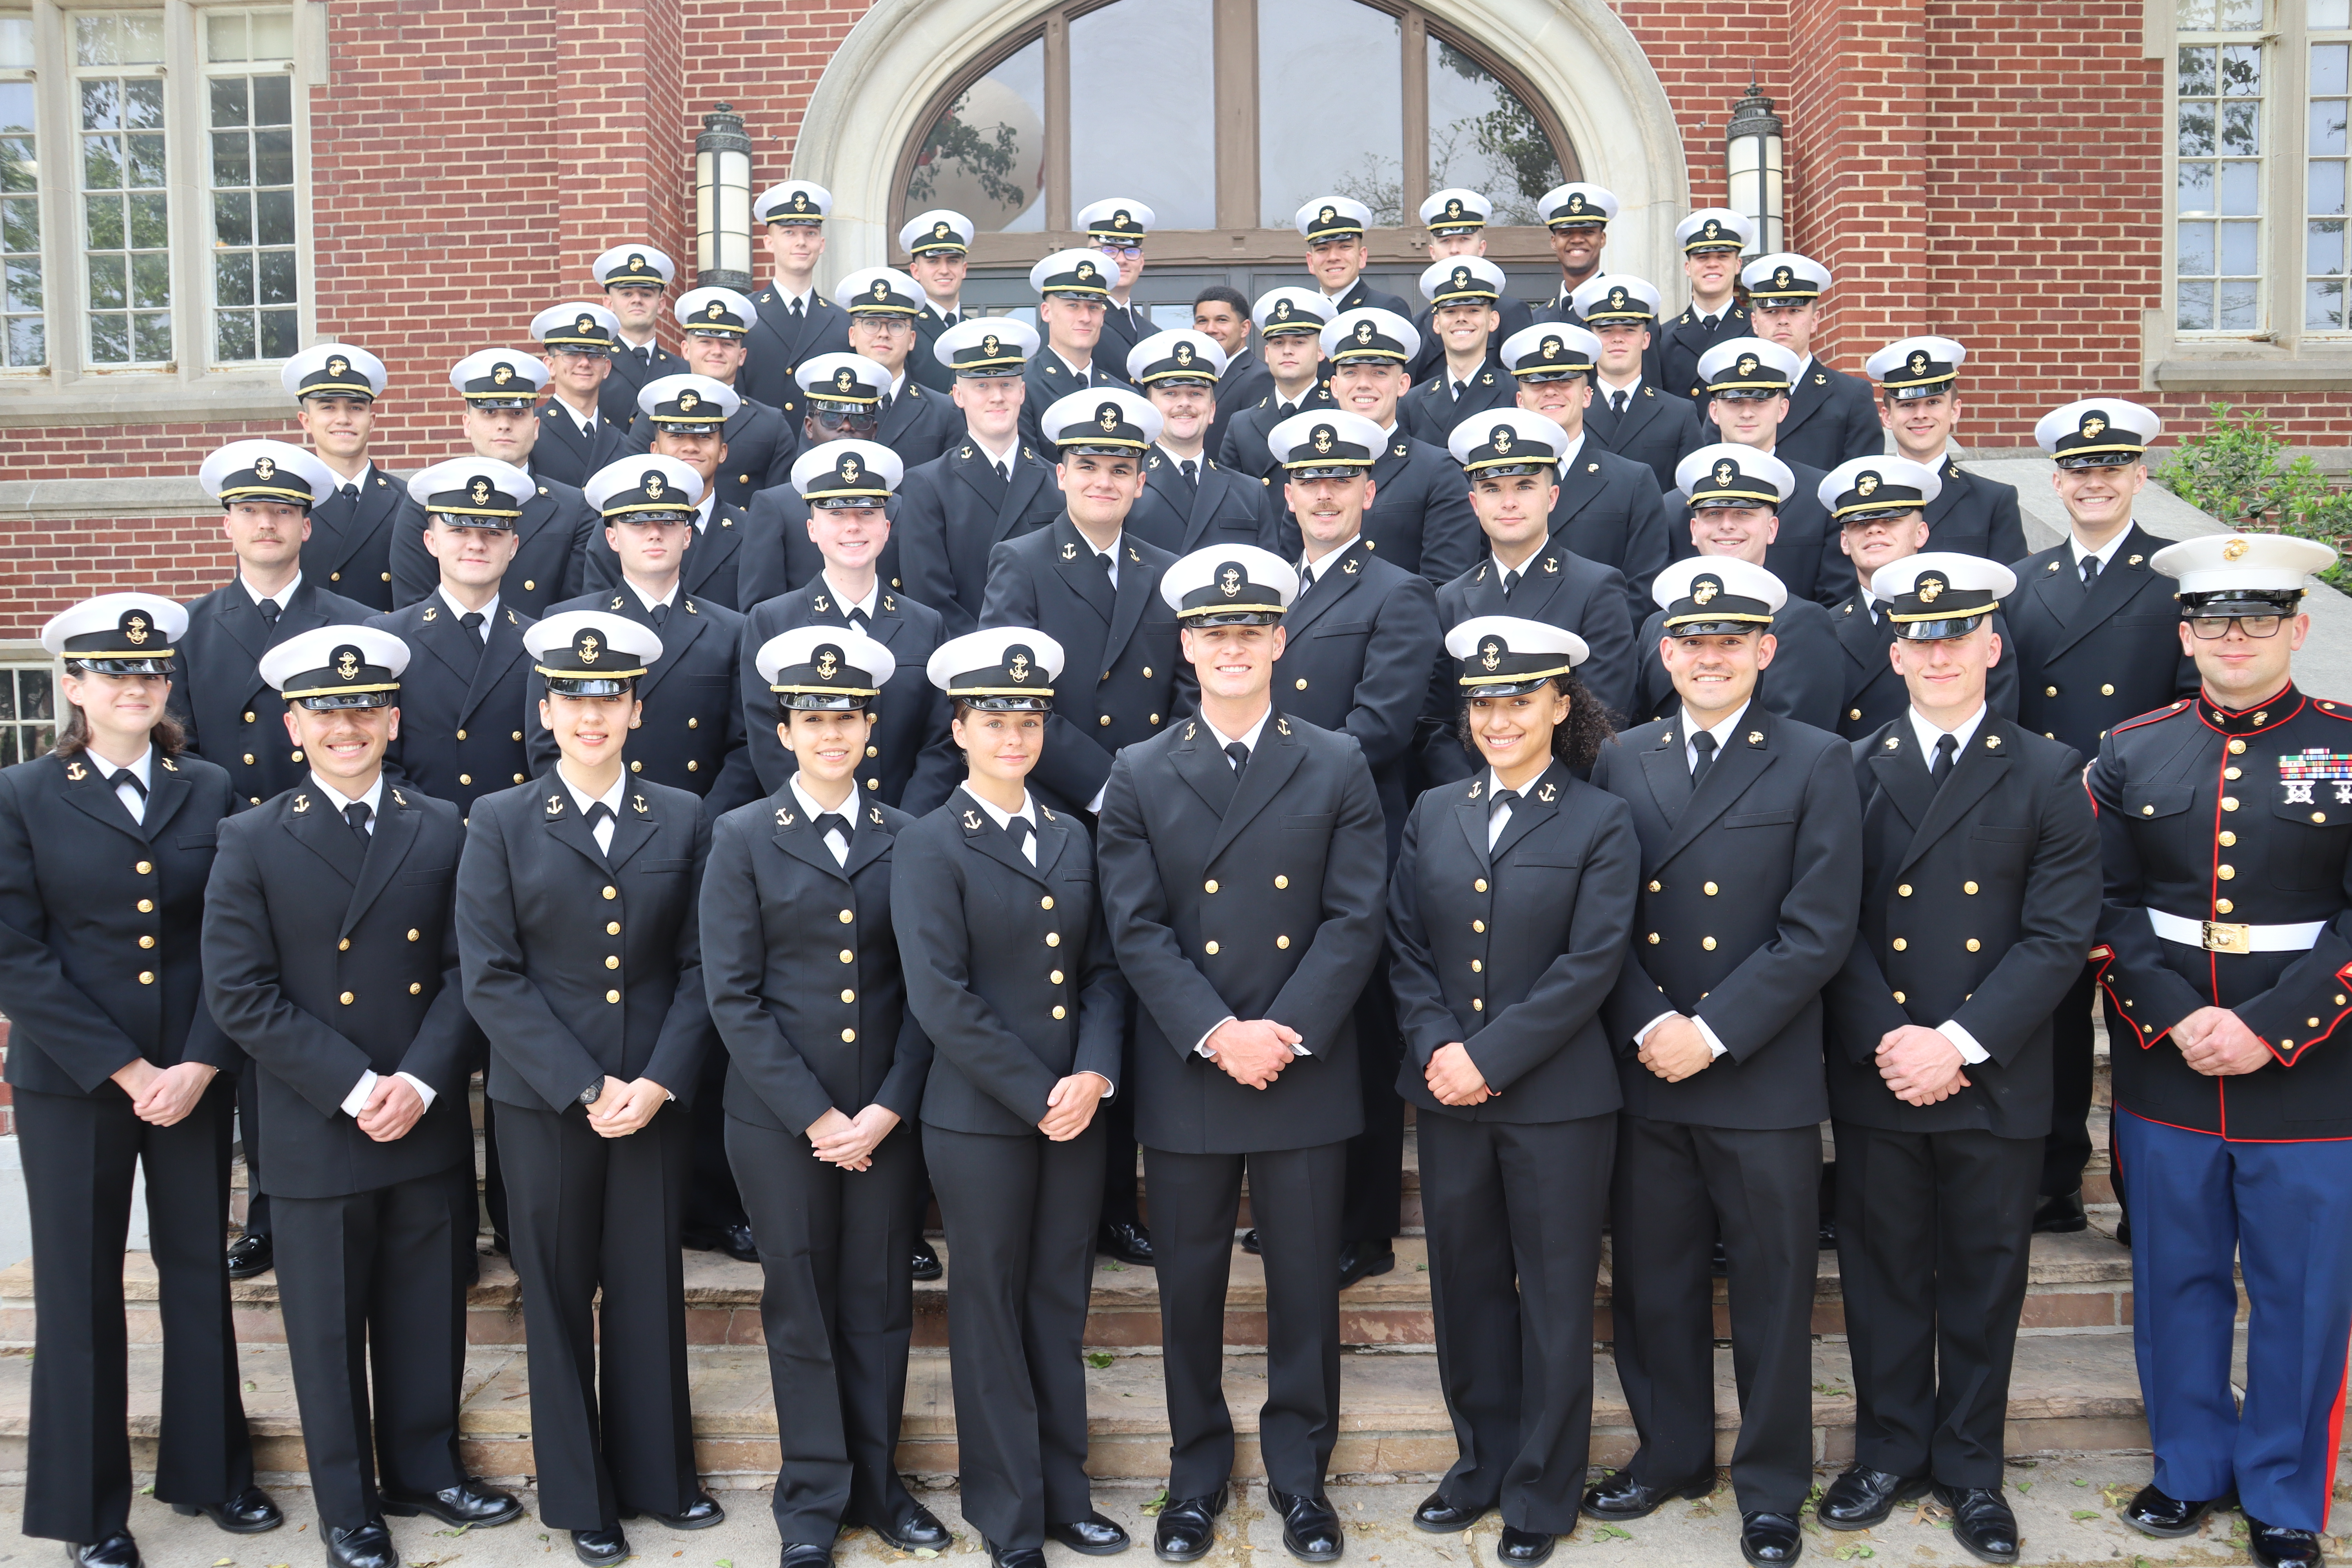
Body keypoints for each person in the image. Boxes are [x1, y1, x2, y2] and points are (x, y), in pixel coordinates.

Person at [202, 625, 521, 1568]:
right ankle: (349, 1503)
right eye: (327, 712)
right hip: (317, 1122)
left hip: (418, 1114)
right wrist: (353, 1085)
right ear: (295, 724)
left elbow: (474, 971)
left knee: (428, 1308)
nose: (348, 727)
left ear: (391, 718)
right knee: (329, 1326)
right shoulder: (250, 837)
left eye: (365, 709)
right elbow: (239, 991)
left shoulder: (443, 824)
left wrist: (422, 1079)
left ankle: (425, 1468)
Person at [1095, 546, 1389, 1565]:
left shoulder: (1337, 760)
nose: (1231, 645)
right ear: (1187, 644)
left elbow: (1356, 919)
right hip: (1194, 1066)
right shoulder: (1137, 771)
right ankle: (1195, 1475)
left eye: (1249, 630)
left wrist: (1282, 1031)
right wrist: (1221, 1032)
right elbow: (1134, 929)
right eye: (1212, 632)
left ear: (1278, 639)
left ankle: (1301, 1479)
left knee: (1306, 1285)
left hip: (1302, 1064)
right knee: (1191, 1289)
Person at [1817, 555, 2098, 1566]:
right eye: (1919, 640)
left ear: (1991, 646)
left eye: (1958, 636)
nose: (1939, 654)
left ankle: (1973, 1465)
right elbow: (1828, 923)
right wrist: (1892, 1038)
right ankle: (1889, 1450)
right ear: (1896, 654)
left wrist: (1959, 1043)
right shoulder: (1848, 767)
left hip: (1994, 1069)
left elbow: (2057, 935)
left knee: (1985, 1279)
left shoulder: (2050, 771)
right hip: (1882, 1065)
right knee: (1884, 1271)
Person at [1585, 554, 1862, 1568]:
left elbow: (1819, 927)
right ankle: (1671, 1455)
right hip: (1649, 1065)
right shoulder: (1626, 757)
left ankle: (1773, 1484)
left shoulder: (1816, 759)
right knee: (1654, 1281)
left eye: (1729, 643)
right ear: (1665, 655)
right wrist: (1653, 1022)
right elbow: (1601, 918)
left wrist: (1714, 1029)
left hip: (1760, 1072)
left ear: (1765, 651)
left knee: (1774, 1289)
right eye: (1692, 644)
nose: (1710, 658)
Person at [2089, 531, 2352, 1568]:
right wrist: (2177, 1015)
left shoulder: (2346, 745)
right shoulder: (2133, 749)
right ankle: (2190, 1467)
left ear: (2297, 626)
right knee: (2177, 1277)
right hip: (2170, 1060)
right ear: (2186, 632)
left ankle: (2286, 1496)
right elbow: (2104, 904)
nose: (2231, 637)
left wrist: (2269, 1026)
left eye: (2254, 619)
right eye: (2211, 620)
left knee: (2303, 1289)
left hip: (2315, 1073)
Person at [0, 594, 274, 1568]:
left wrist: (201, 1058)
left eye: (150, 672)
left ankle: (213, 1474)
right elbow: (15, 952)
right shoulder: (22, 793)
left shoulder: (209, 785)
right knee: (79, 1290)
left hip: (194, 1073)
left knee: (198, 1270)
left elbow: (230, 936)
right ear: (71, 686)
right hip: (75, 1080)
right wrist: (125, 1067)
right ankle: (87, 1508)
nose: (133, 685)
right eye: (111, 672)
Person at [456, 608, 720, 1568]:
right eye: (575, 696)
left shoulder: (684, 817)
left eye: (610, 696)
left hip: (652, 1096)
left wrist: (655, 1081)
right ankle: (582, 1495)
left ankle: (659, 1477)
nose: (592, 713)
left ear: (636, 708)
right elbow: (489, 974)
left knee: (648, 1283)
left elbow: (703, 968)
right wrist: (580, 1083)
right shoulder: (499, 819)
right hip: (545, 1101)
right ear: (549, 707)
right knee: (560, 1292)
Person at [1389, 615, 1637, 1566]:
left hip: (1557, 1100)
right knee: (1466, 1285)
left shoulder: (1601, 819)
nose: (1497, 718)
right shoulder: (1433, 810)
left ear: (1559, 704)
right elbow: (1405, 944)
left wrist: (1490, 1054)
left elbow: (1590, 963)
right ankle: (1480, 1462)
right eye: (1483, 701)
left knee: (1555, 1293)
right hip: (1447, 1090)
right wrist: (1439, 1045)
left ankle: (1542, 1485)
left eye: (1518, 699)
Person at [703, 624, 951, 1568]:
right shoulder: (740, 837)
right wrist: (817, 1116)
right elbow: (732, 993)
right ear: (784, 730)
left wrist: (886, 1108)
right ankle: (812, 1496)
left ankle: (881, 1485)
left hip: (886, 1117)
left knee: (881, 1301)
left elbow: (932, 988)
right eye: (812, 718)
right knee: (801, 1303)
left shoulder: (910, 838)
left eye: (845, 716)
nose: (830, 733)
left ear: (868, 728)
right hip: (778, 1122)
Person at [893, 627, 1132, 1568]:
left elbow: (1106, 971)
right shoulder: (928, 842)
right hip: (983, 1118)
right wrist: (1041, 1093)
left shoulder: (1072, 833)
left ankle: (1066, 1494)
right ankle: (1009, 1512)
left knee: (1057, 1305)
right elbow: (939, 996)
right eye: (994, 717)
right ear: (960, 727)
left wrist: (1095, 1074)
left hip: (1075, 1109)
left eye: (1028, 717)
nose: (1013, 733)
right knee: (990, 1311)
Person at [1256, 409, 1443, 1283]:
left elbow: (1382, 725)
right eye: (1308, 480)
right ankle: (1298, 1211)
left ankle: (1362, 1227)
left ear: (1370, 491)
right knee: (1288, 1014)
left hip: (1353, 838)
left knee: (1360, 1036)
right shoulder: (1264, 590)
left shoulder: (1398, 590)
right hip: (1270, 838)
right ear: (1289, 493)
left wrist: (1273, 795)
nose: (1324, 493)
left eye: (1341, 479)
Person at [179, 437, 372, 1279]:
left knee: (342, 1021)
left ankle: (362, 1191)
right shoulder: (190, 629)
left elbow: (370, 744)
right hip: (238, 857)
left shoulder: (355, 626)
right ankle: (267, 1210)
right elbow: (178, 754)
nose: (267, 521)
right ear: (228, 522)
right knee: (259, 1035)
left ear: (306, 523)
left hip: (334, 856)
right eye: (251, 509)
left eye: (284, 509)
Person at [2006, 398, 2198, 1236]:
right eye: (2080, 471)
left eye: (2112, 468)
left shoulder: (2176, 576)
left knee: (2142, 1008)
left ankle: (2139, 1190)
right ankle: (2053, 1184)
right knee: (2051, 1013)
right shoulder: (2025, 584)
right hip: (2047, 829)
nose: (2096, 482)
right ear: (2055, 482)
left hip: (2137, 827)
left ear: (2139, 476)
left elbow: (2192, 710)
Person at [980, 388, 1189, 821]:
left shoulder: (1168, 572)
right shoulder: (1021, 562)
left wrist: (1154, 782)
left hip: (1158, 800)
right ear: (1060, 475)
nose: (1104, 482)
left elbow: (1189, 692)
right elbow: (1011, 693)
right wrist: (1106, 786)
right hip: (1057, 802)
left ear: (1140, 484)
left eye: (1121, 470)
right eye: (1087, 467)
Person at [530, 456, 758, 817]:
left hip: (700, 831)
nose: (654, 532)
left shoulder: (731, 630)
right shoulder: (570, 625)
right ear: (612, 537)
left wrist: (703, 826)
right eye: (637, 522)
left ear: (687, 535)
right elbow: (546, 742)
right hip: (596, 823)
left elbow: (746, 748)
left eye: (669, 521)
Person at [739, 439, 954, 817]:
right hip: (809, 832)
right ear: (811, 528)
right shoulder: (773, 622)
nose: (853, 526)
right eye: (836, 514)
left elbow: (940, 742)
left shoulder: (927, 624)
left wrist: (905, 828)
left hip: (908, 831)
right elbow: (769, 740)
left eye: (867, 512)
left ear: (887, 527)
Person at [1423, 410, 1638, 778]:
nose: (1508, 502)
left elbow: (1604, 720)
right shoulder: (1451, 598)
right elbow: (1436, 722)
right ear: (1475, 504)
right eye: (1492, 489)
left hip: (1564, 802)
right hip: (1472, 804)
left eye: (1524, 486)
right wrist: (1472, 793)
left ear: (1552, 497)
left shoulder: (1596, 588)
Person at [1629, 447, 1841, 731]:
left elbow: (1796, 751)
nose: (1727, 525)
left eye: (1743, 513)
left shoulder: (1802, 622)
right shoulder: (1658, 624)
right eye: (1713, 513)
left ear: (1772, 529)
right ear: (1694, 529)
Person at [369, 458, 538, 815]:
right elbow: (377, 759)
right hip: (423, 840)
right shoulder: (387, 639)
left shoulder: (539, 643)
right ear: (431, 541)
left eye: (493, 532)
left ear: (513, 545)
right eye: (459, 530)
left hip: (517, 842)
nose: (476, 545)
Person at [389, 349, 601, 619]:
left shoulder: (572, 509)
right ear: (467, 424)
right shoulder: (426, 500)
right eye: (489, 412)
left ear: (536, 426)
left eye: (517, 414)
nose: (504, 425)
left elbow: (576, 613)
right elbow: (413, 610)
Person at [1822, 456, 2019, 740]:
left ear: (1921, 533)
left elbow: (1997, 726)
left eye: (1891, 520)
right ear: (1844, 541)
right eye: (1859, 523)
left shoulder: (1975, 617)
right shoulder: (1824, 627)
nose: (1875, 529)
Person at [894, 318, 1062, 637]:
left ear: (1022, 392)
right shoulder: (928, 485)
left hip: (1048, 660)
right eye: (982, 385)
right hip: (966, 667)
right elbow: (929, 597)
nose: (996, 397)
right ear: (958, 395)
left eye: (1007, 384)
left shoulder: (1058, 483)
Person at [1498, 322, 1673, 617]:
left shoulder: (1632, 482)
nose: (1551, 392)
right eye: (1538, 383)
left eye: (1565, 382)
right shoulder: (1494, 482)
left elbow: (1644, 587)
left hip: (1601, 647)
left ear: (1588, 395)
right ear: (1520, 400)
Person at [1302, 307, 1479, 586]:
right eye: (1351, 373)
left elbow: (1445, 585)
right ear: (1335, 386)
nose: (1363, 385)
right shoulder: (1306, 468)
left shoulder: (1437, 471)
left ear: (1403, 384)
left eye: (1379, 373)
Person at [1688, 337, 1853, 608]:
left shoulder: (1822, 498)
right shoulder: (1677, 504)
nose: (1747, 413)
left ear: (1783, 409)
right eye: (1735, 401)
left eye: (1760, 401)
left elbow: (1837, 601)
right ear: (1714, 411)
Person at [584, 372, 755, 610]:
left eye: (705, 437)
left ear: (723, 451)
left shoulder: (751, 531)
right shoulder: (617, 528)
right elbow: (599, 612)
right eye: (676, 436)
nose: (690, 447)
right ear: (654, 449)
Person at [740, 352, 898, 606]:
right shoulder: (775, 505)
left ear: (875, 431)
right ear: (809, 427)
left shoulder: (897, 505)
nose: (847, 427)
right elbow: (760, 610)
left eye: (860, 418)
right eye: (832, 416)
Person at [625, 286, 797, 511]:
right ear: (685, 350)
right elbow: (634, 490)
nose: (716, 351)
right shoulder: (653, 415)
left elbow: (782, 507)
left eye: (727, 344)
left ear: (742, 355)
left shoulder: (770, 424)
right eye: (705, 342)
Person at [1861, 338, 2026, 563]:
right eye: (1907, 405)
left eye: (1933, 402)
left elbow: (2012, 591)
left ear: (1955, 411)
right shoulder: (1860, 500)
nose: (1920, 415)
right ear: (1887, 417)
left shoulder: (1992, 502)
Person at [1125, 328, 1278, 556]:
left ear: (1213, 409)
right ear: (1150, 409)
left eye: (1196, 394)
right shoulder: (1126, 486)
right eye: (1171, 394)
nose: (1185, 403)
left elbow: (1269, 580)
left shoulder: (1249, 493)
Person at [1740, 254, 1882, 471]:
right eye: (1771, 311)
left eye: (1795, 311)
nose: (1783, 320)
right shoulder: (1732, 395)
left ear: (1815, 321)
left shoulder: (1851, 396)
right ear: (1755, 322)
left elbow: (1861, 484)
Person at [286, 343, 400, 609]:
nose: (343, 419)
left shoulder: (409, 501)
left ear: (372, 420)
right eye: (328, 407)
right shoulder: (287, 504)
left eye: (356, 408)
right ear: (305, 420)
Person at [742, 180, 853, 422]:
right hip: (761, 454)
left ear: (821, 245)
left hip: (822, 454)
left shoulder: (843, 323)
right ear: (769, 243)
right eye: (789, 232)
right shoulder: (744, 315)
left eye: (810, 233)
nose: (801, 242)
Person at [1574, 276, 1698, 490]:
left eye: (1629, 330)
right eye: (1606, 331)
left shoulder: (1679, 414)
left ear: (1646, 339)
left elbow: (1689, 493)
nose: (1618, 339)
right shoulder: (1572, 410)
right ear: (1592, 340)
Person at [835, 265, 962, 468]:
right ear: (852, 335)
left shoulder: (943, 411)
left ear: (912, 339)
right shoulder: (828, 407)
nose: (883, 334)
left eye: (896, 325)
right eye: (871, 323)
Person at [1405, 189, 1533, 383]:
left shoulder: (1510, 313)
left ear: (1482, 247)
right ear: (1432, 252)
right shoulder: (1418, 326)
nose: (1455, 249)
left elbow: (1521, 385)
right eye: (1445, 241)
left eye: (1464, 240)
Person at [1217, 289, 1337, 481]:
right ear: (1267, 353)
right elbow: (1230, 496)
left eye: (1299, 342)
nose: (1287, 351)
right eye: (1278, 343)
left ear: (1320, 351)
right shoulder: (1241, 424)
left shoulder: (1341, 415)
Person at [1020, 249, 1129, 454]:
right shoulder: (1023, 387)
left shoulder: (1123, 394)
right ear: (1046, 312)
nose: (1085, 318)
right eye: (1073, 306)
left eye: (1094, 307)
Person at [1398, 256, 1513, 446]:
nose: (1461, 318)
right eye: (1450, 312)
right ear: (1436, 323)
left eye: (1473, 311)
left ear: (1493, 320)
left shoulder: (1515, 392)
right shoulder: (1412, 402)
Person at [530, 303, 629, 489]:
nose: (584, 363)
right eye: (572, 354)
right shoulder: (532, 433)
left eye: (594, 355)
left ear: (607, 368)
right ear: (551, 366)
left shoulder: (623, 443)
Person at [1660, 211, 1754, 404]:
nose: (1712, 264)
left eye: (1722, 256)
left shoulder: (1759, 329)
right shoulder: (1663, 338)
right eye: (1702, 257)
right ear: (1688, 267)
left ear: (1738, 265)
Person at [593, 244, 686, 427]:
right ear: (609, 303)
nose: (637, 300)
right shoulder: (593, 366)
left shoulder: (683, 371)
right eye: (627, 294)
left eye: (646, 294)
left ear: (661, 305)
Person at [1294, 197, 1412, 318]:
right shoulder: (1302, 315)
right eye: (1323, 249)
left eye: (1344, 247)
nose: (1333, 257)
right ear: (1310, 262)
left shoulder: (1387, 309)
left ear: (1362, 257)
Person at [900, 209, 975, 394]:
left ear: (964, 269)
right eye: (933, 262)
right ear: (915, 271)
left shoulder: (976, 331)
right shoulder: (904, 329)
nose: (944, 270)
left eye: (953, 261)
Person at [1081, 197, 1157, 376]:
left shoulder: (1153, 333)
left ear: (1142, 262)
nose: (1121, 260)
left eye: (1131, 251)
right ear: (1092, 257)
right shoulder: (1076, 320)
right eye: (1110, 250)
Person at [1193, 285, 1266, 462]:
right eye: (1202, 321)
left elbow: (1252, 454)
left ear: (1245, 328)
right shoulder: (1195, 378)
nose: (1210, 329)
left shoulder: (1260, 378)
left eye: (1222, 320)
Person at [1529, 183, 1616, 320]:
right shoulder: (1535, 319)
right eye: (1566, 233)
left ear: (1602, 239)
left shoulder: (1626, 310)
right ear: (1554, 242)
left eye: (1588, 232)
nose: (1577, 240)